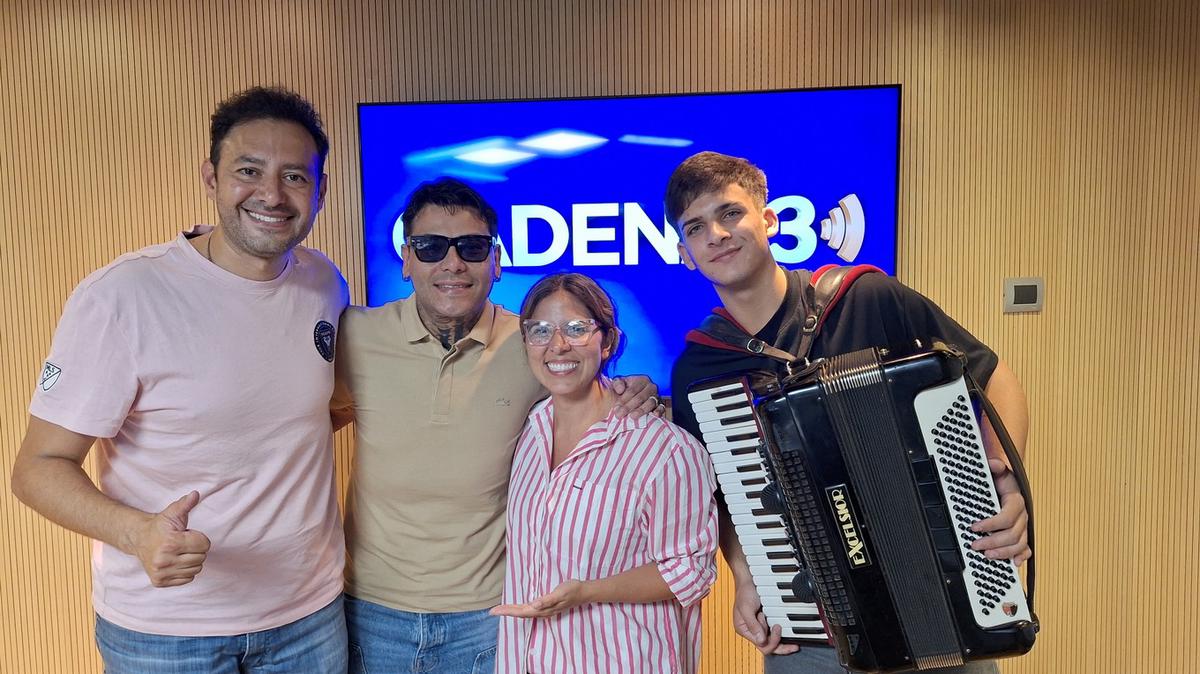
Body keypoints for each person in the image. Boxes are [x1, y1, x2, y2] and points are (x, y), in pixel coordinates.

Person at [9, 86, 349, 672]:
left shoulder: (324, 282)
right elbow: (37, 469)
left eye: (295, 176)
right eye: (249, 170)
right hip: (168, 632)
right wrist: (137, 533)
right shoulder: (121, 297)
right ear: (211, 179)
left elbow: (303, 410)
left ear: (320, 192)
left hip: (309, 617)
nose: (271, 194)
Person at [666, 151, 1032, 674]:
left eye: (730, 213)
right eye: (697, 227)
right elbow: (722, 492)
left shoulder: (866, 298)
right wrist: (747, 576)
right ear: (685, 252)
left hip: (942, 586)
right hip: (812, 623)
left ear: (769, 220)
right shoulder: (701, 366)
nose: (717, 235)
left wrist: (1006, 483)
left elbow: (992, 377)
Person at [330, 178, 660, 673]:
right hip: (371, 614)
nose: (452, 262)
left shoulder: (530, 344)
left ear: (496, 259)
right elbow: (292, 422)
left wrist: (643, 391)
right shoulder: (355, 335)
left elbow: (590, 392)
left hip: (488, 616)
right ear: (405, 258)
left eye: (472, 246)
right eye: (431, 247)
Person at [491, 273, 719, 674]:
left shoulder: (666, 450)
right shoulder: (527, 430)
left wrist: (589, 591)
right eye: (540, 330)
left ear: (608, 340)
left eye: (577, 329)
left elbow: (690, 572)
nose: (557, 345)